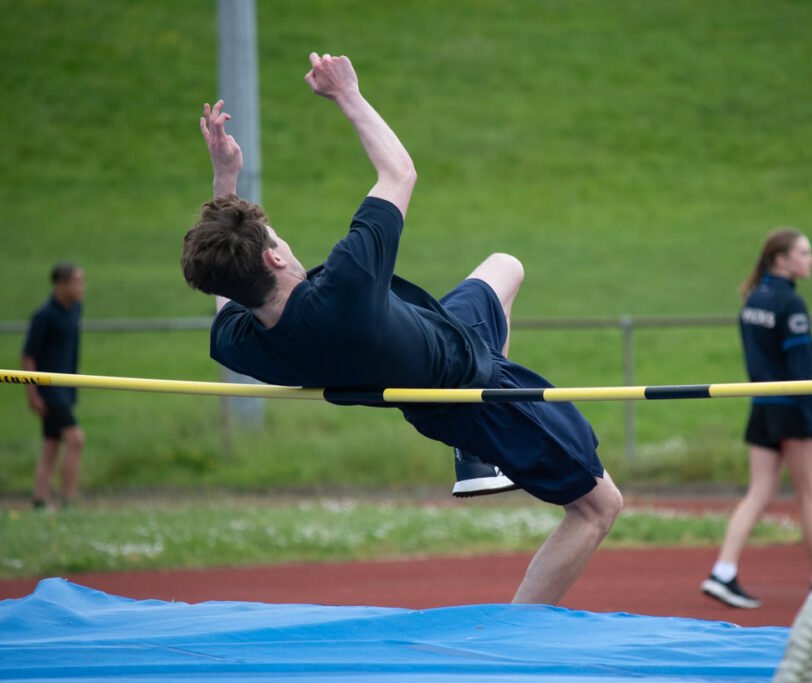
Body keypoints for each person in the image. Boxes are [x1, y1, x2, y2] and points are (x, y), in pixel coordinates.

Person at [181, 52, 622, 605]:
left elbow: (225, 287)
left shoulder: (241, 342)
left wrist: (225, 179)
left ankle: (475, 458)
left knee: (505, 267)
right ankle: (516, 632)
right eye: (275, 238)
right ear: (273, 258)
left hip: (439, 345)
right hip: (474, 391)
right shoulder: (346, 287)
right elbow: (399, 172)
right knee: (598, 508)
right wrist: (347, 94)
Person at [701, 229, 812, 608]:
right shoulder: (791, 304)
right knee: (810, 497)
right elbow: (802, 367)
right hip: (794, 408)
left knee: (758, 492)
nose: (811, 260)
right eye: (804, 253)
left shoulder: (753, 299)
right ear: (781, 259)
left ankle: (723, 571)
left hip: (762, 406)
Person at [22, 263, 87, 510]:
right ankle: (68, 498)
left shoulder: (76, 309)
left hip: (66, 387)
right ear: (60, 285)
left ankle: (40, 499)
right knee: (76, 439)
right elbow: (28, 356)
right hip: (49, 390)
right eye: (76, 282)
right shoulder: (44, 316)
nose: (82, 287)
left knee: (51, 444)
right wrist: (32, 394)